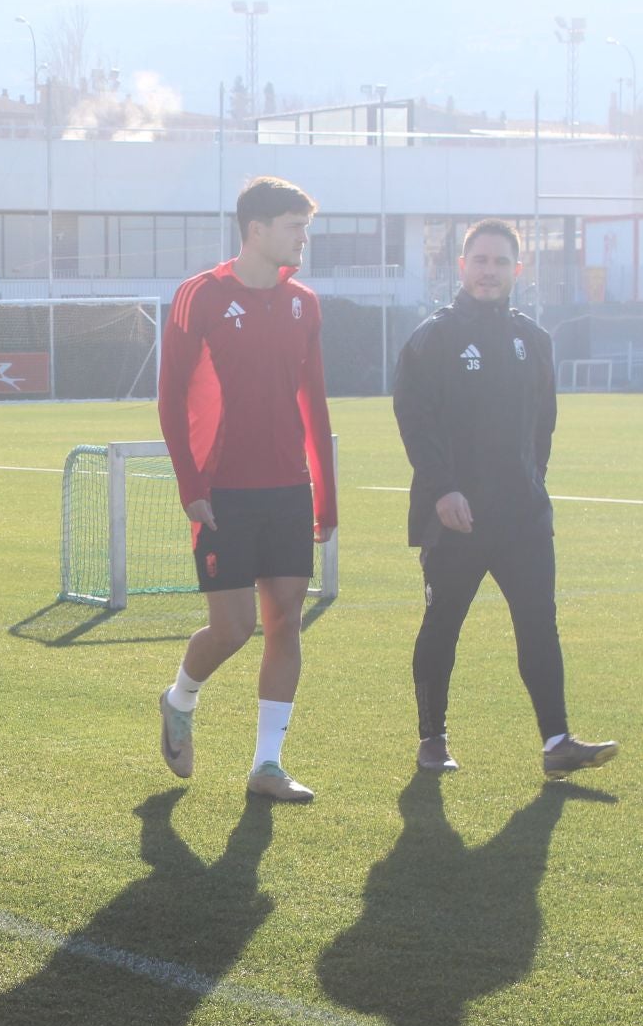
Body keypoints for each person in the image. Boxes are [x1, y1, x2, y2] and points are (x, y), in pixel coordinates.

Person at [392, 218, 618, 778]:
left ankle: (557, 741)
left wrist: (531, 486)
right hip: (457, 518)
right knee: (443, 623)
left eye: (500, 262)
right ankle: (433, 739)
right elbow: (413, 422)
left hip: (522, 516)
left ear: (518, 270)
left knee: (540, 621)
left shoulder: (534, 339)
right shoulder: (433, 337)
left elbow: (543, 425)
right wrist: (444, 490)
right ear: (462, 267)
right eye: (480, 261)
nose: (489, 271)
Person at [156, 176, 337, 803]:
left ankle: (267, 765)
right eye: (295, 226)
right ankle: (179, 699)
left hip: (290, 488)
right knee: (232, 629)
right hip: (223, 490)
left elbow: (313, 402)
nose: (304, 238)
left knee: (286, 620)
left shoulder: (305, 304)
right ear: (256, 231)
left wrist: (327, 496)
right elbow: (171, 398)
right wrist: (191, 485)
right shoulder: (198, 297)